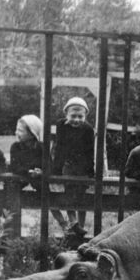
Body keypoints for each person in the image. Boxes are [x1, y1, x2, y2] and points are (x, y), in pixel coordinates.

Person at [8, 114, 66, 228]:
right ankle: (8, 226)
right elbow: (14, 167)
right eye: (16, 130)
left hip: (38, 179)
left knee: (46, 195)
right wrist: (28, 171)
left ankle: (63, 223)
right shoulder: (15, 147)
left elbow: (49, 166)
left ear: (32, 133)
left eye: (20, 131)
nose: (16, 133)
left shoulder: (41, 147)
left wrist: (42, 172)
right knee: (10, 194)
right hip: (21, 178)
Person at [52, 97, 95, 237]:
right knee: (69, 190)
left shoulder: (88, 129)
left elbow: (90, 151)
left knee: (81, 193)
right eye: (73, 116)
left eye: (80, 116)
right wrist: (56, 168)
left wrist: (90, 169)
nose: (76, 120)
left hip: (82, 165)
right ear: (66, 115)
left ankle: (80, 225)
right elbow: (59, 147)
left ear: (85, 116)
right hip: (68, 164)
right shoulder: (61, 125)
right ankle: (72, 221)